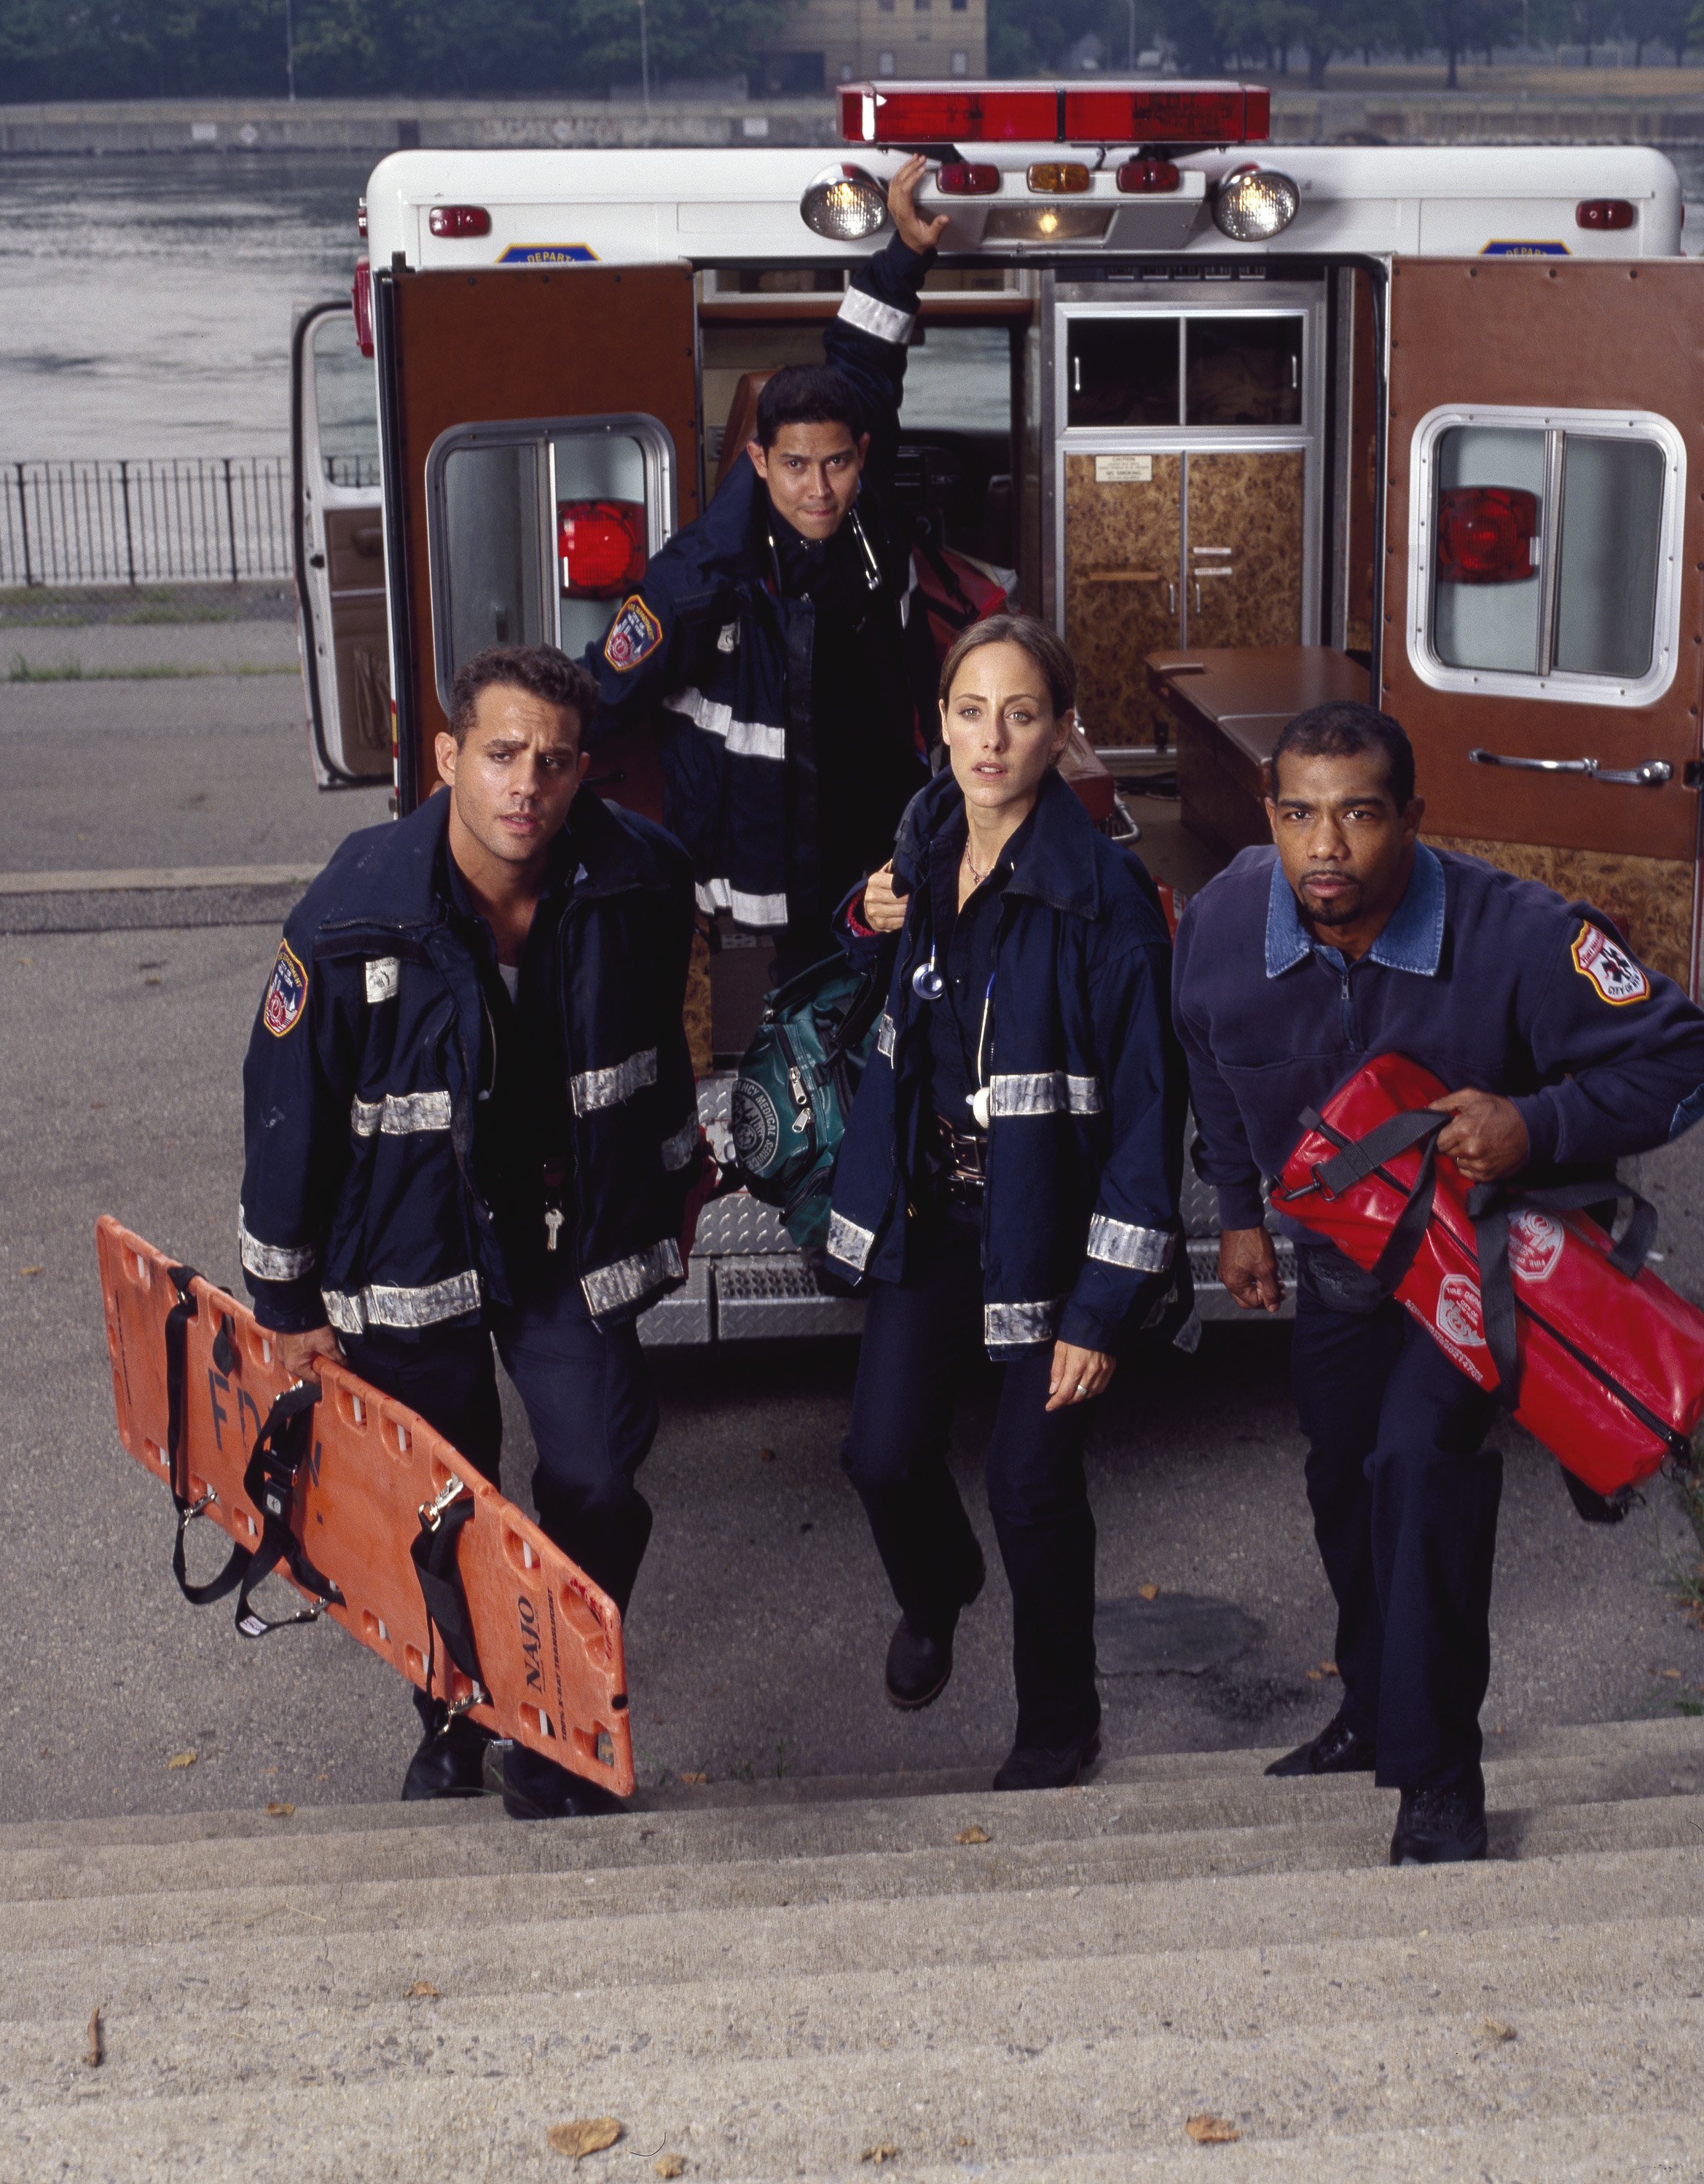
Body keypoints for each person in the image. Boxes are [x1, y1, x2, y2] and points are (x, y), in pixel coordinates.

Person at [1171, 702, 1704, 1864]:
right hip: (1341, 1263)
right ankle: (1376, 1704)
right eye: (1300, 816)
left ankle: (1438, 1778)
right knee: (1341, 1480)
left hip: (1477, 1265)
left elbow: (1693, 1056)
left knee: (1419, 1464)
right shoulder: (1226, 920)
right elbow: (1209, 1059)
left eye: (1360, 815)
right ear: (1271, 818)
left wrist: (1538, 1121)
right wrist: (1237, 1215)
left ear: (1411, 820)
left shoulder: (1519, 934)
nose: (1327, 848)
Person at [237, 643, 704, 1821]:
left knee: (597, 1476)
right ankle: (454, 1714)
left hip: (567, 1234)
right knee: (442, 1507)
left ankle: (555, 1713)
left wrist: (673, 1184)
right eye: (501, 755)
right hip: (414, 1245)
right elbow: (284, 1110)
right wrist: (286, 1306)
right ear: (448, 758)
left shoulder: (642, 880)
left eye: (553, 763)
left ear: (584, 769)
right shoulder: (350, 913)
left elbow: (657, 1059)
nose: (526, 787)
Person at [826, 614, 1190, 1790]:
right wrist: (861, 913)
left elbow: (1146, 1120)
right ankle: (939, 1591)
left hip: (1050, 1232)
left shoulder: (1107, 902)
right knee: (881, 1457)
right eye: (971, 710)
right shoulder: (922, 844)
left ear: (1062, 734)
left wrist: (1098, 1311)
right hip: (934, 1215)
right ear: (940, 724)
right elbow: (891, 993)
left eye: (1022, 713)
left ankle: (1057, 1721)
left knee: (1030, 1486)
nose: (993, 737)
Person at [582, 155, 949, 977]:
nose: (818, 490)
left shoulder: (865, 497)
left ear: (860, 455)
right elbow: (604, 686)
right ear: (757, 457)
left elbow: (861, 358)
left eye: (836, 465)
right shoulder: (701, 578)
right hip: (785, 867)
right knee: (809, 1030)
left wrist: (905, 251)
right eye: (793, 467)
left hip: (889, 821)